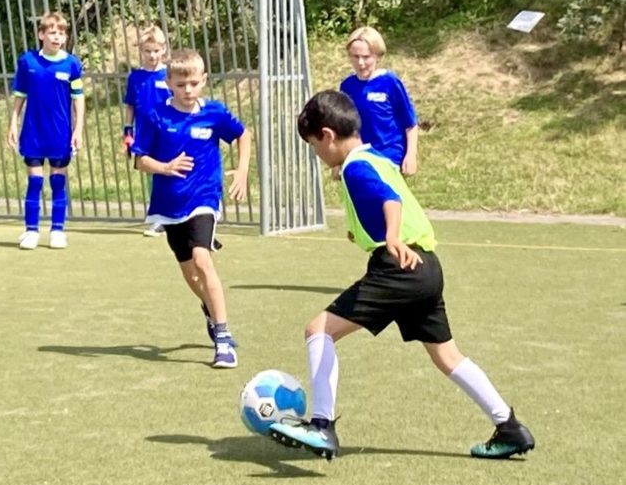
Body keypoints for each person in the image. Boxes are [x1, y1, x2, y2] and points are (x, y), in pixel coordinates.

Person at [269, 90, 535, 460]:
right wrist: (365, 231)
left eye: (315, 146)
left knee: (318, 330)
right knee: (448, 357)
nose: (318, 154)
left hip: (398, 267)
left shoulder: (355, 168)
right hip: (426, 267)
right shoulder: (376, 157)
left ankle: (321, 425)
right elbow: (391, 200)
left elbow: (390, 202)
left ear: (328, 136)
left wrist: (390, 237)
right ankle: (509, 427)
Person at [130, 48, 252, 368]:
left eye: (194, 83)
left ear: (203, 81)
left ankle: (223, 339)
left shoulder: (214, 113)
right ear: (168, 81)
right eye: (181, 84)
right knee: (188, 271)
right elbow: (140, 160)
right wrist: (165, 167)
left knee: (202, 258)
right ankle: (210, 309)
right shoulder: (154, 114)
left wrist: (241, 171)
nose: (188, 90)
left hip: (204, 198)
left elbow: (243, 135)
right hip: (169, 204)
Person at [7, 11, 84, 250]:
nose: (57, 37)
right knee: (35, 182)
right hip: (33, 132)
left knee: (58, 181)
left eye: (61, 33)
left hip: (60, 133)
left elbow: (78, 98)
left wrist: (78, 128)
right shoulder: (27, 62)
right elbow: (20, 95)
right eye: (52, 32)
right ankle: (31, 231)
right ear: (41, 35)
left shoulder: (72, 64)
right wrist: (12, 123)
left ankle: (57, 230)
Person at [339, 26, 419, 176]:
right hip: (360, 157)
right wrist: (339, 161)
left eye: (366, 57)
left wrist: (411, 156)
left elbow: (410, 123)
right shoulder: (347, 86)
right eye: (355, 57)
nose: (361, 63)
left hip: (389, 157)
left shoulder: (390, 83)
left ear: (377, 56)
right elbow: (344, 127)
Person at [122, 25, 173, 238]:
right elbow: (130, 106)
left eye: (156, 50)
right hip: (144, 134)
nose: (152, 55)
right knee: (151, 174)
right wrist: (127, 132)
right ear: (141, 51)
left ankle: (168, 216)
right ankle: (158, 216)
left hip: (167, 132)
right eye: (148, 51)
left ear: (163, 50)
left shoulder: (169, 74)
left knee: (168, 173)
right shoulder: (135, 78)